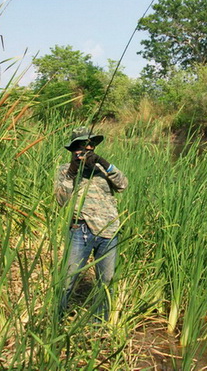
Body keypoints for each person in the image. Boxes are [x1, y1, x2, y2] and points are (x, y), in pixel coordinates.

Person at [54, 126, 128, 320]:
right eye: (80, 146)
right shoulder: (63, 170)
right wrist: (72, 172)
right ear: (72, 149)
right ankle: (56, 318)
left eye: (90, 145)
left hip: (109, 230)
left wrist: (105, 163)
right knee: (67, 279)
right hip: (81, 230)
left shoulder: (102, 168)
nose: (86, 149)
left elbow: (122, 185)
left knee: (106, 280)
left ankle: (99, 323)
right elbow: (61, 200)